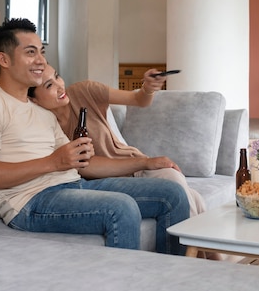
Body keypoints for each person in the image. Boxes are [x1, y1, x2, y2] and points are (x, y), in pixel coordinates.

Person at [0, 18, 189, 255]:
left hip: (71, 185)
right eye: (30, 52)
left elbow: (84, 164)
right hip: (29, 202)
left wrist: (146, 162)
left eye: (41, 52)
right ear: (4, 59)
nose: (40, 60)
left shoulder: (41, 112)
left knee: (172, 195)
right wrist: (52, 162)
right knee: (121, 208)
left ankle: (169, 278)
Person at [27, 63, 206, 217]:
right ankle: (203, 256)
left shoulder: (84, 91)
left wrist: (148, 88)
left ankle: (204, 257)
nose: (60, 86)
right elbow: (86, 167)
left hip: (135, 167)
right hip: (105, 182)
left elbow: (137, 99)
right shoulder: (44, 129)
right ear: (33, 99)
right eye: (49, 85)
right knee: (184, 191)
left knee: (190, 194)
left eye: (57, 77)